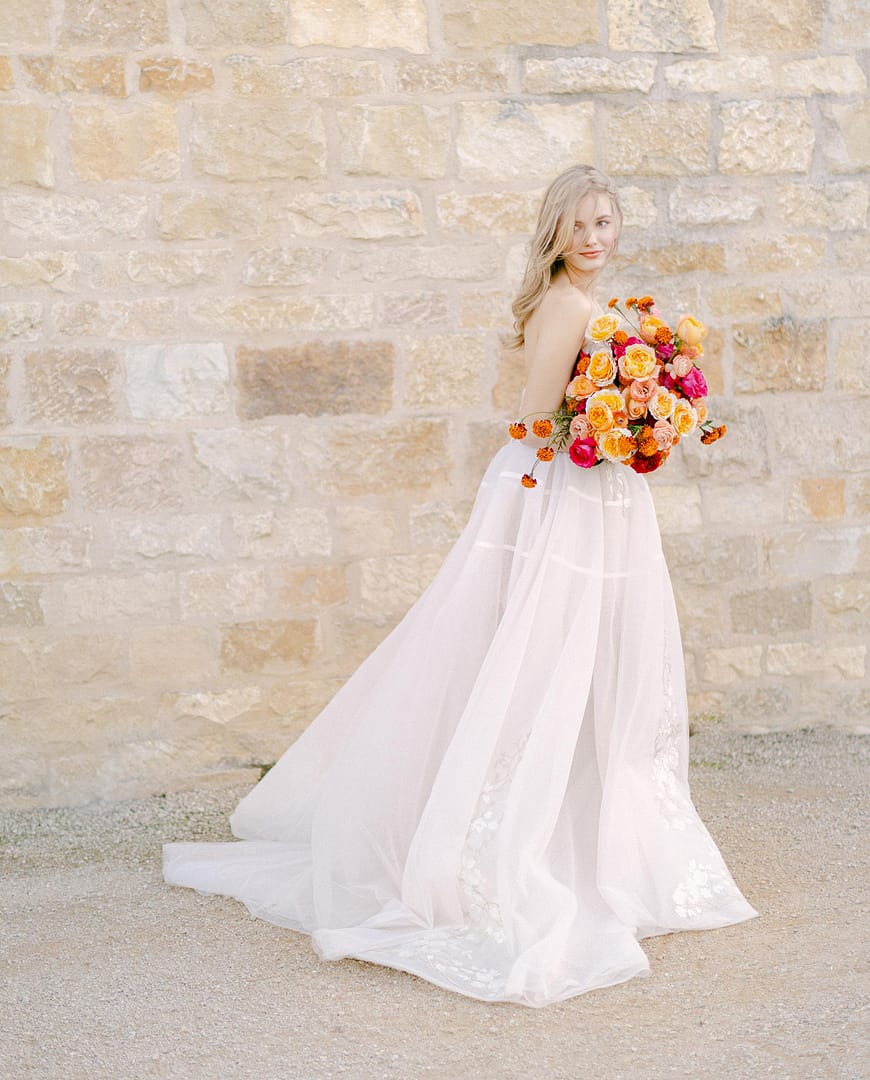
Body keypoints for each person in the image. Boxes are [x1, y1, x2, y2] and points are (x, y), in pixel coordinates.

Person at [163, 164, 758, 1008]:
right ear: (555, 233)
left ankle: (584, 832)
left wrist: (640, 409)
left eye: (606, 222)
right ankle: (510, 841)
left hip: (599, 493)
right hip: (559, 495)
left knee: (589, 664)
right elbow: (529, 417)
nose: (594, 238)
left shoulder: (600, 306)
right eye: (579, 225)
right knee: (537, 658)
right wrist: (614, 418)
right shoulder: (566, 306)